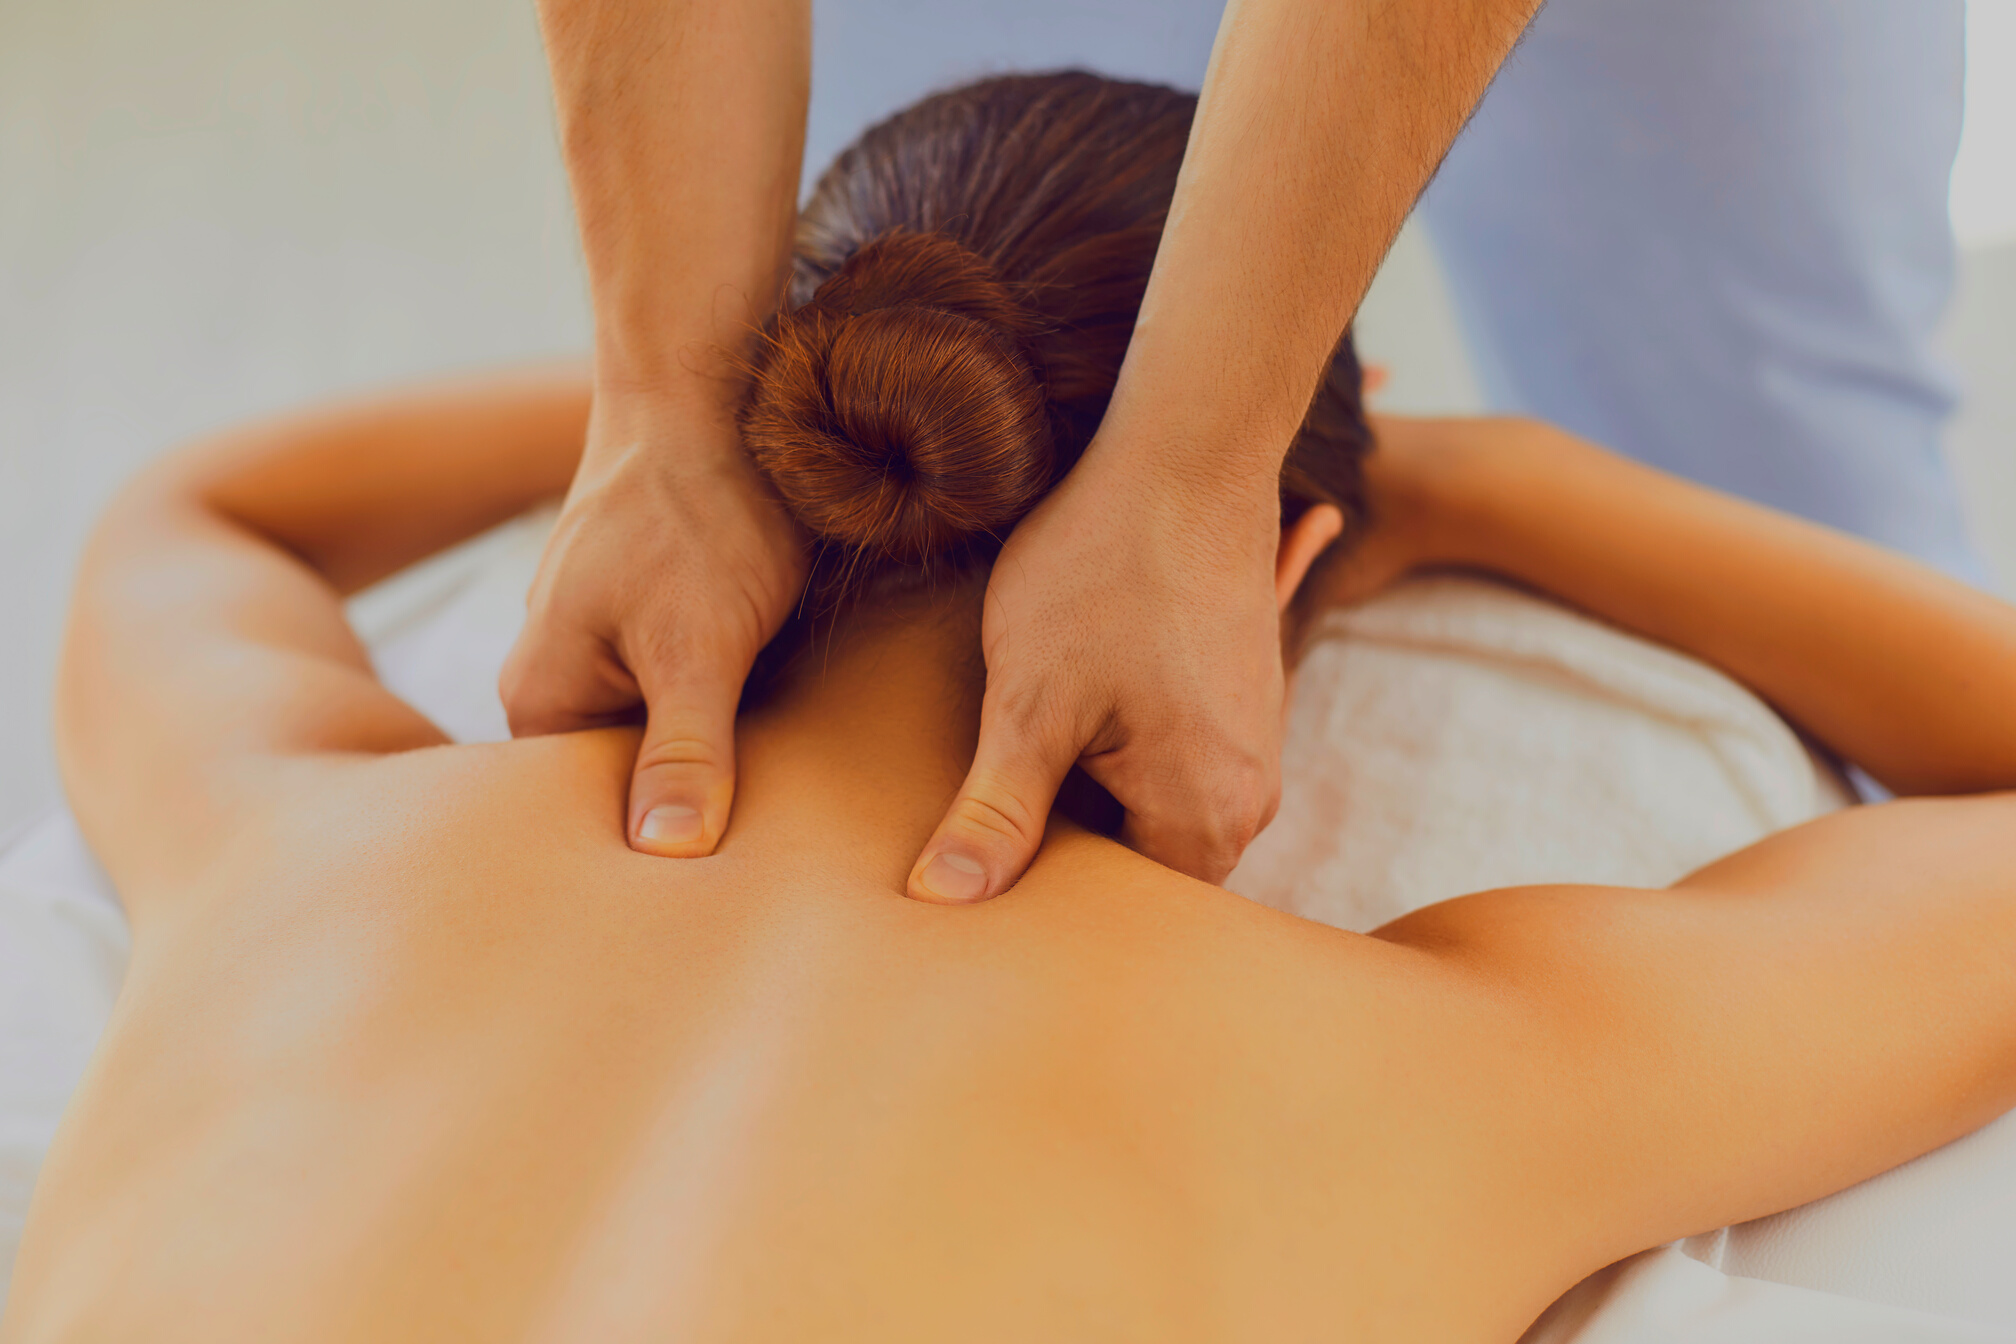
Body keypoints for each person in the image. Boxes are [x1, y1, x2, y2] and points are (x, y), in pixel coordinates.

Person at [10, 74, 2016, 1341]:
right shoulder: (1421, 1074)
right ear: (1292, 566)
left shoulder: (297, 843)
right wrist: (1471, 479)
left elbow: (207, 509)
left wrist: (714, 407)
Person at [513, 0, 1976, 901]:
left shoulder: (371, 841)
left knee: (1788, 456)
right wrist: (675, 413)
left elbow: (266, 505)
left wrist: (1189, 468)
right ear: (1310, 548)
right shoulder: (1399, 1038)